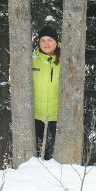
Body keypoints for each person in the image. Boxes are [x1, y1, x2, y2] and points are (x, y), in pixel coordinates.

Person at [32, 25, 60, 159]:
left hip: (58, 114)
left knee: (61, 155)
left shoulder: (65, 60)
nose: (46, 44)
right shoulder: (32, 60)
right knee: (38, 154)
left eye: (50, 40)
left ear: (56, 42)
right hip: (36, 114)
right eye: (42, 40)